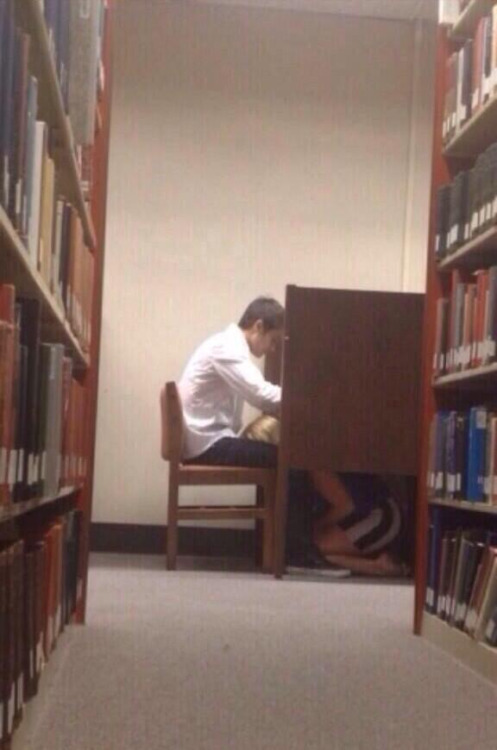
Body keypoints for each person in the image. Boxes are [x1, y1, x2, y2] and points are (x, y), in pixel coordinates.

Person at [178, 297, 349, 576]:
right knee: (291, 463)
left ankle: (291, 548)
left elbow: (258, 396)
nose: (273, 348)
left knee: (279, 453)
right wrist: (307, 400)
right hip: (207, 443)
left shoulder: (228, 347)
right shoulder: (227, 349)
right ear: (258, 326)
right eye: (273, 340)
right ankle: (298, 554)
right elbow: (260, 394)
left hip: (208, 438)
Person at [243, 415, 410, 577]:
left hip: (377, 515)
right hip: (362, 514)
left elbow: (345, 505)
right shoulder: (303, 461)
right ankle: (373, 562)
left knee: (305, 550)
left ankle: (376, 566)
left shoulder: (309, 463)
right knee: (299, 549)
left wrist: (314, 528)